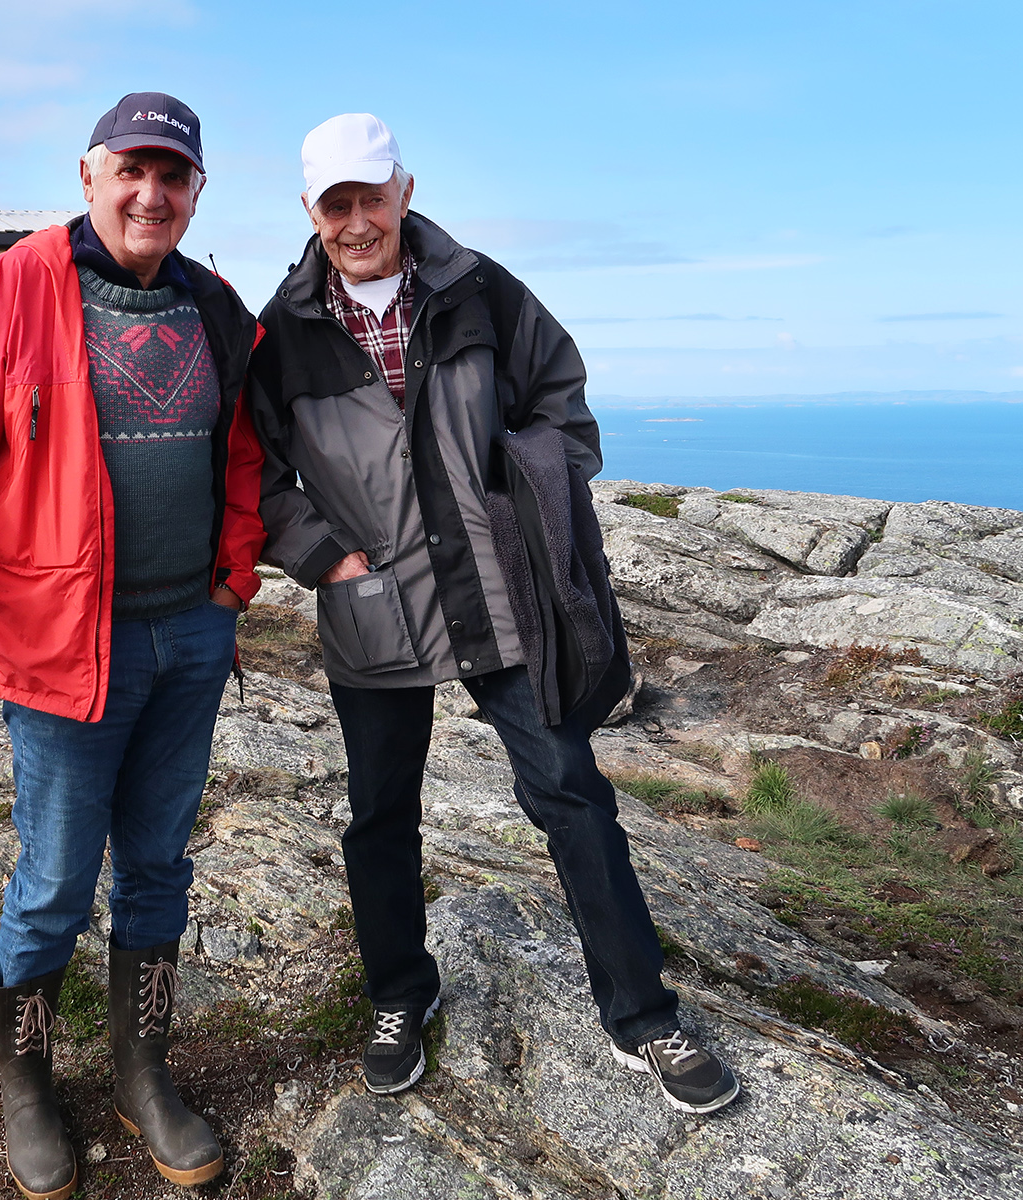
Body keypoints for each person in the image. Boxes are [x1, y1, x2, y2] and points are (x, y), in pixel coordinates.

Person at [246, 114, 740, 1116]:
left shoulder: (483, 290)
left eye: (369, 197)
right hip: (370, 604)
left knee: (571, 793)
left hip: (500, 596)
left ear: (405, 191)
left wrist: (531, 503)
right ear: (309, 210)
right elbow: (252, 471)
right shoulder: (284, 331)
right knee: (380, 816)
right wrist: (319, 553)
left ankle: (641, 1016)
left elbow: (562, 401)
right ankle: (398, 996)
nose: (354, 221)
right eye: (333, 203)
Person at [0, 92, 265, 1198]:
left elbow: (244, 452)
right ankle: (28, 1085)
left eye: (172, 177)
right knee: (51, 880)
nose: (150, 194)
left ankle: (143, 1072)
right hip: (54, 646)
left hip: (189, 633)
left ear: (194, 192)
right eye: (130, 171)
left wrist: (234, 579)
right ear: (89, 175)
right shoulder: (13, 288)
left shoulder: (217, 306)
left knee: (157, 868)